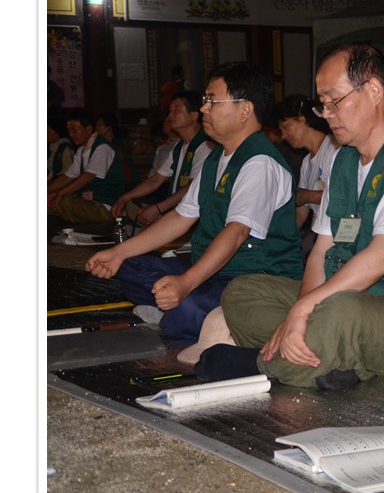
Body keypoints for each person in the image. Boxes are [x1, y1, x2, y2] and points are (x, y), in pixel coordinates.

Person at [213, 43, 384, 390]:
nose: (327, 114)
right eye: (322, 104)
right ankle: (326, 357)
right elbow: (322, 250)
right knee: (242, 292)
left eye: (334, 101)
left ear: (374, 91)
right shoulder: (343, 159)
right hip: (350, 299)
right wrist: (299, 311)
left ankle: (261, 364)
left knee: (340, 312)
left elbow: (383, 258)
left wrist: (304, 311)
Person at [85, 62, 303, 341]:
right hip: (214, 272)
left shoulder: (260, 163)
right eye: (204, 101)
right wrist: (119, 253)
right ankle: (182, 309)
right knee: (129, 267)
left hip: (252, 280)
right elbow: (180, 218)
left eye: (212, 101)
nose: (203, 109)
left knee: (187, 307)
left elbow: (237, 232)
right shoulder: (216, 158)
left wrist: (186, 283)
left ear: (245, 110)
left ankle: (186, 312)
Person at [110, 91, 212, 228]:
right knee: (133, 206)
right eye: (170, 111)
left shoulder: (205, 146)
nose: (170, 116)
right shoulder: (178, 147)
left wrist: (159, 208)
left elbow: (191, 187)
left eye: (176, 110)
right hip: (177, 212)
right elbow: (156, 180)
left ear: (194, 115)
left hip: (195, 218)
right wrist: (124, 198)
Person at [274, 94, 341, 233]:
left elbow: (343, 196)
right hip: (320, 232)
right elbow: (301, 212)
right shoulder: (306, 162)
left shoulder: (334, 149)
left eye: (286, 127)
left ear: (302, 119)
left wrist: (308, 196)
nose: (284, 135)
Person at [47, 110, 126, 224]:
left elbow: (88, 176)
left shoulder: (103, 148)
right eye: (69, 131)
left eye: (75, 130)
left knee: (64, 202)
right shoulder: (81, 150)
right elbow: (67, 177)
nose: (71, 134)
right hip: (88, 201)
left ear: (89, 129)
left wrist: (60, 193)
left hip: (106, 207)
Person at [46, 113, 75, 181]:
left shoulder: (65, 149)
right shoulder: (51, 148)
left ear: (57, 132)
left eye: (48, 131)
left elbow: (68, 171)